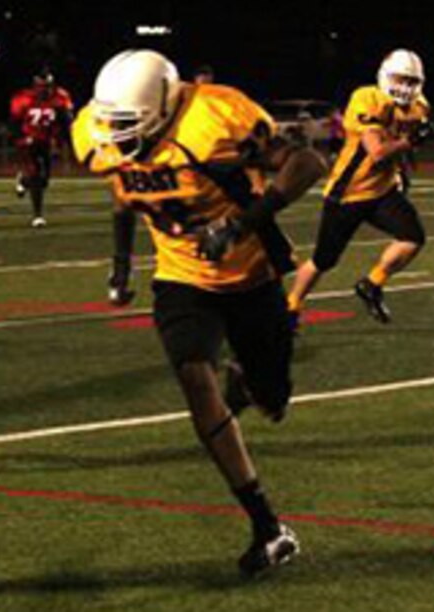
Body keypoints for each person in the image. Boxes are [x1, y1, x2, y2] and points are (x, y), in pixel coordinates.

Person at [73, 49, 326, 576]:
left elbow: (307, 163)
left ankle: (247, 387)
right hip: (181, 277)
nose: (118, 135)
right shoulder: (98, 131)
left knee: (272, 400)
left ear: (164, 108)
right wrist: (120, 265)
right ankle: (267, 526)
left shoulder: (214, 119)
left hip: (252, 276)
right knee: (193, 375)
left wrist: (238, 225)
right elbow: (125, 191)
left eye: (130, 124)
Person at [286, 49, 431, 325]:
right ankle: (291, 307)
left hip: (382, 191)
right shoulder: (367, 99)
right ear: (385, 76)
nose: (405, 87)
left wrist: (404, 167)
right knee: (323, 260)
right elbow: (376, 152)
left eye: (411, 81)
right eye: (400, 79)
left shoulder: (419, 107)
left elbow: (403, 146)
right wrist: (409, 143)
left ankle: (372, 285)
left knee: (413, 237)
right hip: (348, 193)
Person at [9, 69, 74, 227]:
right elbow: (14, 123)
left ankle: (24, 181)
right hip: (28, 141)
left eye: (48, 86)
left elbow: (65, 122)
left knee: (44, 180)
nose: (45, 90)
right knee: (36, 175)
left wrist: (63, 142)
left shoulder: (60, 98)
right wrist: (21, 138)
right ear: (35, 86)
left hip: (46, 141)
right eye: (42, 86)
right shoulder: (23, 99)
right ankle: (37, 215)